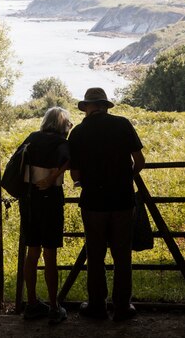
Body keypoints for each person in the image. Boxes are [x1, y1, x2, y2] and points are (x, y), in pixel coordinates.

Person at [68, 87, 145, 322]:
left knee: (96, 254)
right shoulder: (123, 124)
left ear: (87, 107)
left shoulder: (78, 132)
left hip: (93, 202)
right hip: (122, 199)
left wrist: (88, 180)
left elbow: (75, 174)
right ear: (105, 105)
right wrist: (124, 179)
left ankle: (97, 306)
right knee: (122, 255)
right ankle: (122, 307)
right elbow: (140, 161)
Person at [18, 106, 72, 325]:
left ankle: (31, 304)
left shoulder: (32, 138)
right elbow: (71, 160)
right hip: (51, 199)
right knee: (50, 254)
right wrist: (53, 177)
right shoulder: (62, 144)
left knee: (32, 251)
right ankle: (54, 306)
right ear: (63, 124)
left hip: (29, 200)